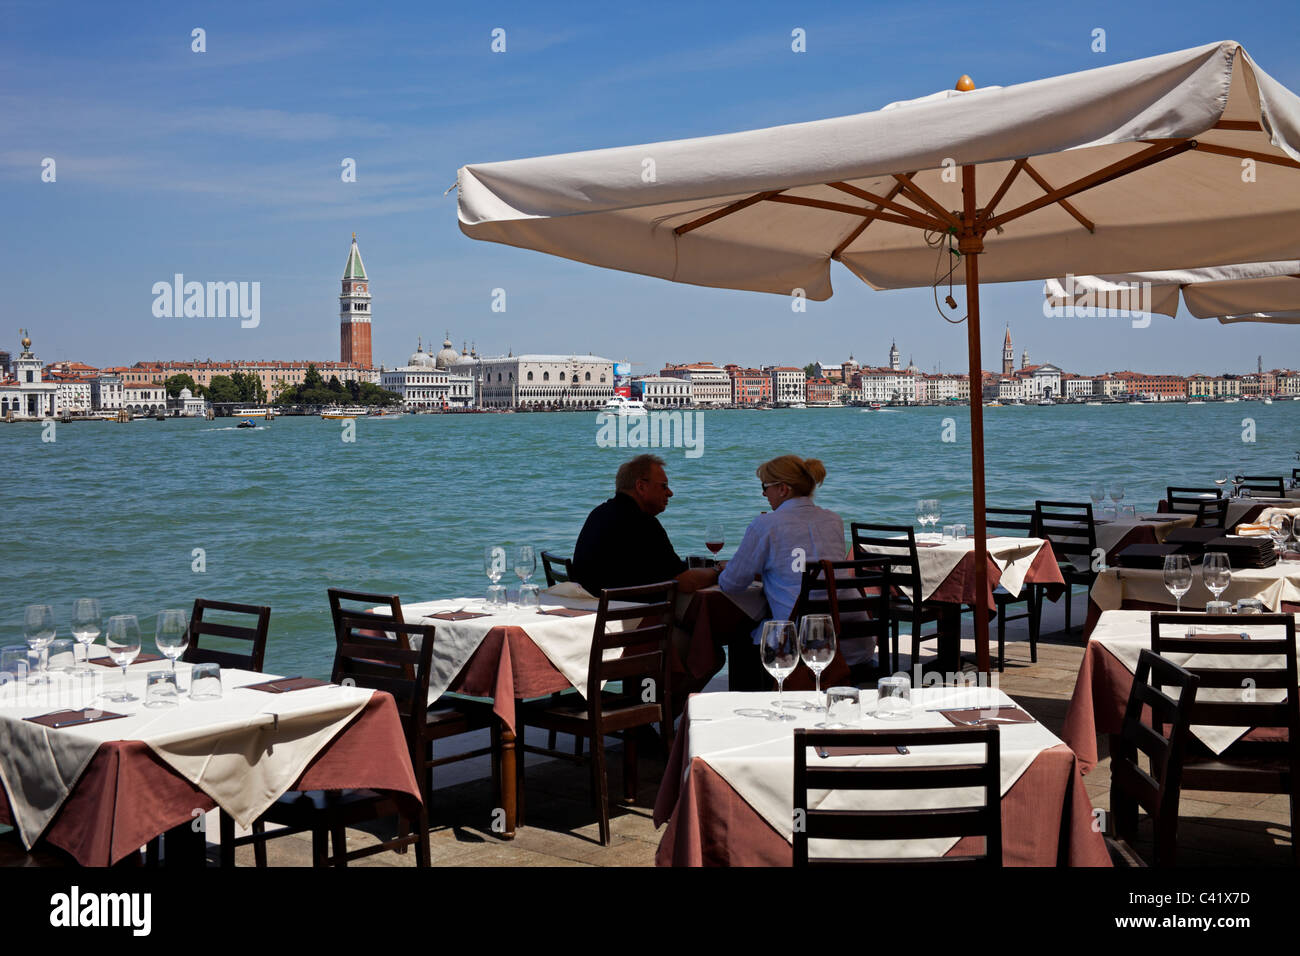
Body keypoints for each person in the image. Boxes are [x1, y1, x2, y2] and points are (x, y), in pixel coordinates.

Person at [717, 455, 860, 688]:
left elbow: (731, 583)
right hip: (850, 639)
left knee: (743, 632)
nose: (764, 494)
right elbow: (806, 565)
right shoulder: (834, 520)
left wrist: (720, 569)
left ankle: (757, 703)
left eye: (765, 487)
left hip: (800, 648)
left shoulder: (766, 524)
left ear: (783, 489)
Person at [571, 454, 719, 597]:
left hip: (590, 607)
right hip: (626, 614)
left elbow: (657, 567)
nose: (670, 493)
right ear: (641, 487)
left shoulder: (599, 513)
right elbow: (687, 582)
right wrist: (719, 572)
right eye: (664, 486)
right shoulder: (642, 523)